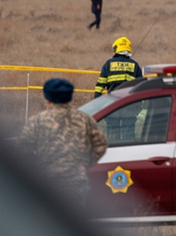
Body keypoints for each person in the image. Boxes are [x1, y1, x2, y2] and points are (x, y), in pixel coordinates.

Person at [17, 78, 109, 206]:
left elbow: (22, 149)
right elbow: (101, 144)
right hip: (76, 183)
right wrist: (84, 163)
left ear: (47, 98)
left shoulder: (37, 121)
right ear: (69, 97)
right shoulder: (84, 119)